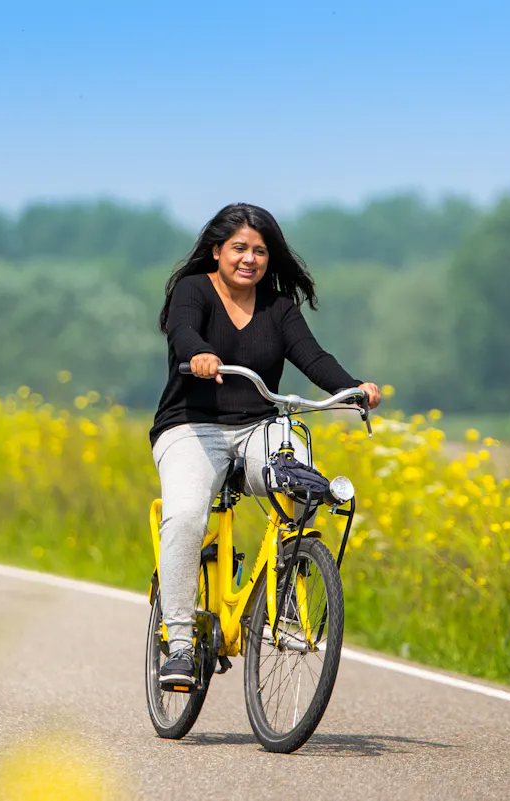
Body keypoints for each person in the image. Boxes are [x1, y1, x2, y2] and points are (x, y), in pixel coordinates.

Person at [150, 203, 381, 687]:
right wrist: (199, 355)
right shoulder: (194, 291)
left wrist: (354, 387)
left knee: (300, 485)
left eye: (260, 251)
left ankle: (288, 596)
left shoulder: (279, 308)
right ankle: (178, 641)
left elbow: (312, 357)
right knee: (187, 516)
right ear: (217, 251)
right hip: (191, 427)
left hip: (259, 425)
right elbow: (182, 330)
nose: (249, 259)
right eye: (239, 248)